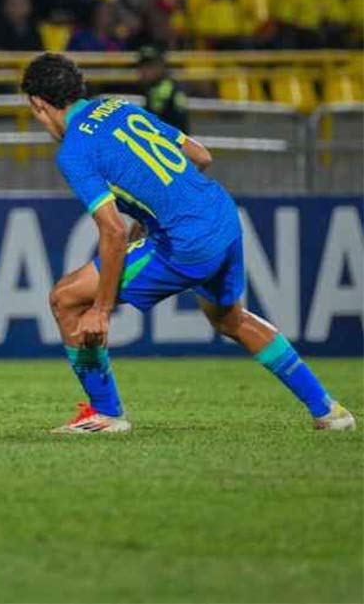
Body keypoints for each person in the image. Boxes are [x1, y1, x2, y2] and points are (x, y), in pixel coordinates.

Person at [20, 53, 355, 434]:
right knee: (232, 320)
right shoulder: (118, 107)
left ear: (38, 104)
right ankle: (329, 411)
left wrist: (102, 308)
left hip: (186, 242)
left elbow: (112, 231)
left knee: (65, 299)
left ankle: (105, 413)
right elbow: (200, 156)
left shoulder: (74, 151)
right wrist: (158, 212)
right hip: (222, 216)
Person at [136, 45, 189, 133]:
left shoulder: (167, 89)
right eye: (142, 66)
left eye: (149, 66)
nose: (144, 71)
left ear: (161, 66)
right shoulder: (151, 87)